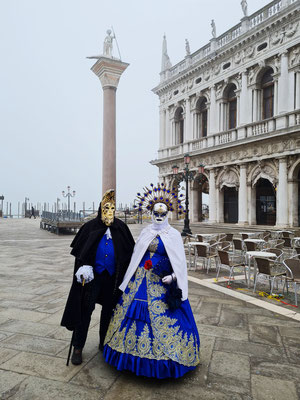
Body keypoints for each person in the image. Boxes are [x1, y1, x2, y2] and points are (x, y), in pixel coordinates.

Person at [103, 183, 200, 379]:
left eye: (162, 214)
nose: (158, 216)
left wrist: (173, 277)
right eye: (155, 212)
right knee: (131, 314)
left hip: (161, 283)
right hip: (140, 280)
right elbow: (136, 254)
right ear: (151, 212)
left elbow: (180, 264)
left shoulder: (173, 235)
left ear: (168, 215)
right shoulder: (146, 231)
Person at [61, 189, 135, 365]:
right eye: (106, 207)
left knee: (108, 312)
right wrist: (83, 268)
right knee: (85, 311)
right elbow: (81, 254)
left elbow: (129, 253)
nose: (109, 211)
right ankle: (78, 346)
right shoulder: (90, 228)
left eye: (112, 208)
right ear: (101, 208)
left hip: (112, 278)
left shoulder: (121, 228)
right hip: (92, 279)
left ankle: (104, 343)